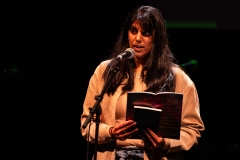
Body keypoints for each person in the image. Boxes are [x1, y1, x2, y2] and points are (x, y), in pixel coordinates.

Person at [80, 5, 205, 160]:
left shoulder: (177, 77)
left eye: (145, 33)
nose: (137, 38)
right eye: (133, 31)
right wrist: (110, 132)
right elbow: (87, 124)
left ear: (157, 37)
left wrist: (165, 142)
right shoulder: (106, 70)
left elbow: (193, 129)